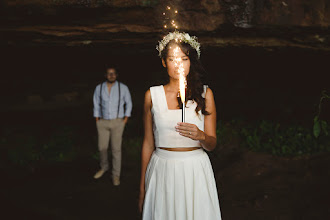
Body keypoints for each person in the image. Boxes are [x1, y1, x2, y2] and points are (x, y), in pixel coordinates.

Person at [139, 31, 222, 219]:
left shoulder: (205, 94)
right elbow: (147, 144)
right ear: (163, 62)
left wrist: (200, 136)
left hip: (194, 169)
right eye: (172, 59)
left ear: (190, 61)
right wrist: (143, 188)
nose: (178, 65)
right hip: (162, 169)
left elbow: (212, 143)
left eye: (183, 59)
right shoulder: (151, 96)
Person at [93, 66, 132, 186]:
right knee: (102, 148)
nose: (111, 75)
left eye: (113, 73)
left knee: (116, 150)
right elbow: (96, 103)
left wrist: (125, 119)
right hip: (103, 122)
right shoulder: (99, 88)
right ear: (106, 75)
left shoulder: (123, 88)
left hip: (117, 122)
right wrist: (97, 119)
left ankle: (116, 175)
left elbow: (128, 102)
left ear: (116, 75)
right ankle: (104, 167)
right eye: (109, 74)